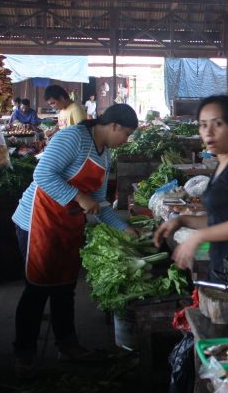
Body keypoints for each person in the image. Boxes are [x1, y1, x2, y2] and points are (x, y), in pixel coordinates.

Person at [11, 104, 139, 378]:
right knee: (37, 289)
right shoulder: (73, 138)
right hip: (37, 221)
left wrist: (125, 229)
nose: (126, 140)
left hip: (67, 225)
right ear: (114, 126)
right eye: (126, 134)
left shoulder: (105, 155)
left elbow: (100, 204)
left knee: (64, 287)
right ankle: (24, 353)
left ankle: (67, 345)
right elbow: (42, 175)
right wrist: (80, 197)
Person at [154, 95, 228, 277]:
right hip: (223, 265)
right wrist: (181, 221)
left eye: (218, 124)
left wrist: (199, 236)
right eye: (203, 125)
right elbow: (221, 220)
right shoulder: (224, 163)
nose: (209, 132)